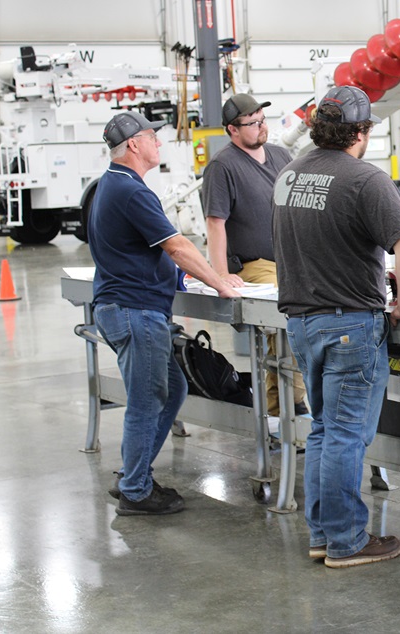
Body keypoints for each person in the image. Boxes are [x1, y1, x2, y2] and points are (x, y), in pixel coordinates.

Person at [272, 85, 400, 569]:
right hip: (349, 326)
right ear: (362, 131)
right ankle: (346, 541)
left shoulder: (288, 175)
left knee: (322, 430)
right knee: (343, 435)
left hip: (302, 322)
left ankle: (324, 534)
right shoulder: (365, 179)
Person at [89, 111, 241, 517]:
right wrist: (218, 281)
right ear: (134, 145)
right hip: (135, 312)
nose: (158, 143)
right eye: (151, 137)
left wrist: (177, 276)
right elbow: (176, 245)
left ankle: (132, 476)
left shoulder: (113, 185)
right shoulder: (131, 191)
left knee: (171, 391)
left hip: (127, 307)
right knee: (146, 401)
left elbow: (138, 250)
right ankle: (135, 491)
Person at [201, 92, 308, 418]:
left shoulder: (279, 155)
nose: (261, 128)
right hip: (254, 265)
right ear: (233, 129)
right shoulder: (222, 166)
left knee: (290, 333)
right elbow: (215, 224)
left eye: (263, 121)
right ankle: (293, 408)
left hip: (288, 260)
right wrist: (220, 274)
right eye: (252, 123)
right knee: (295, 319)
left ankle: (278, 412)